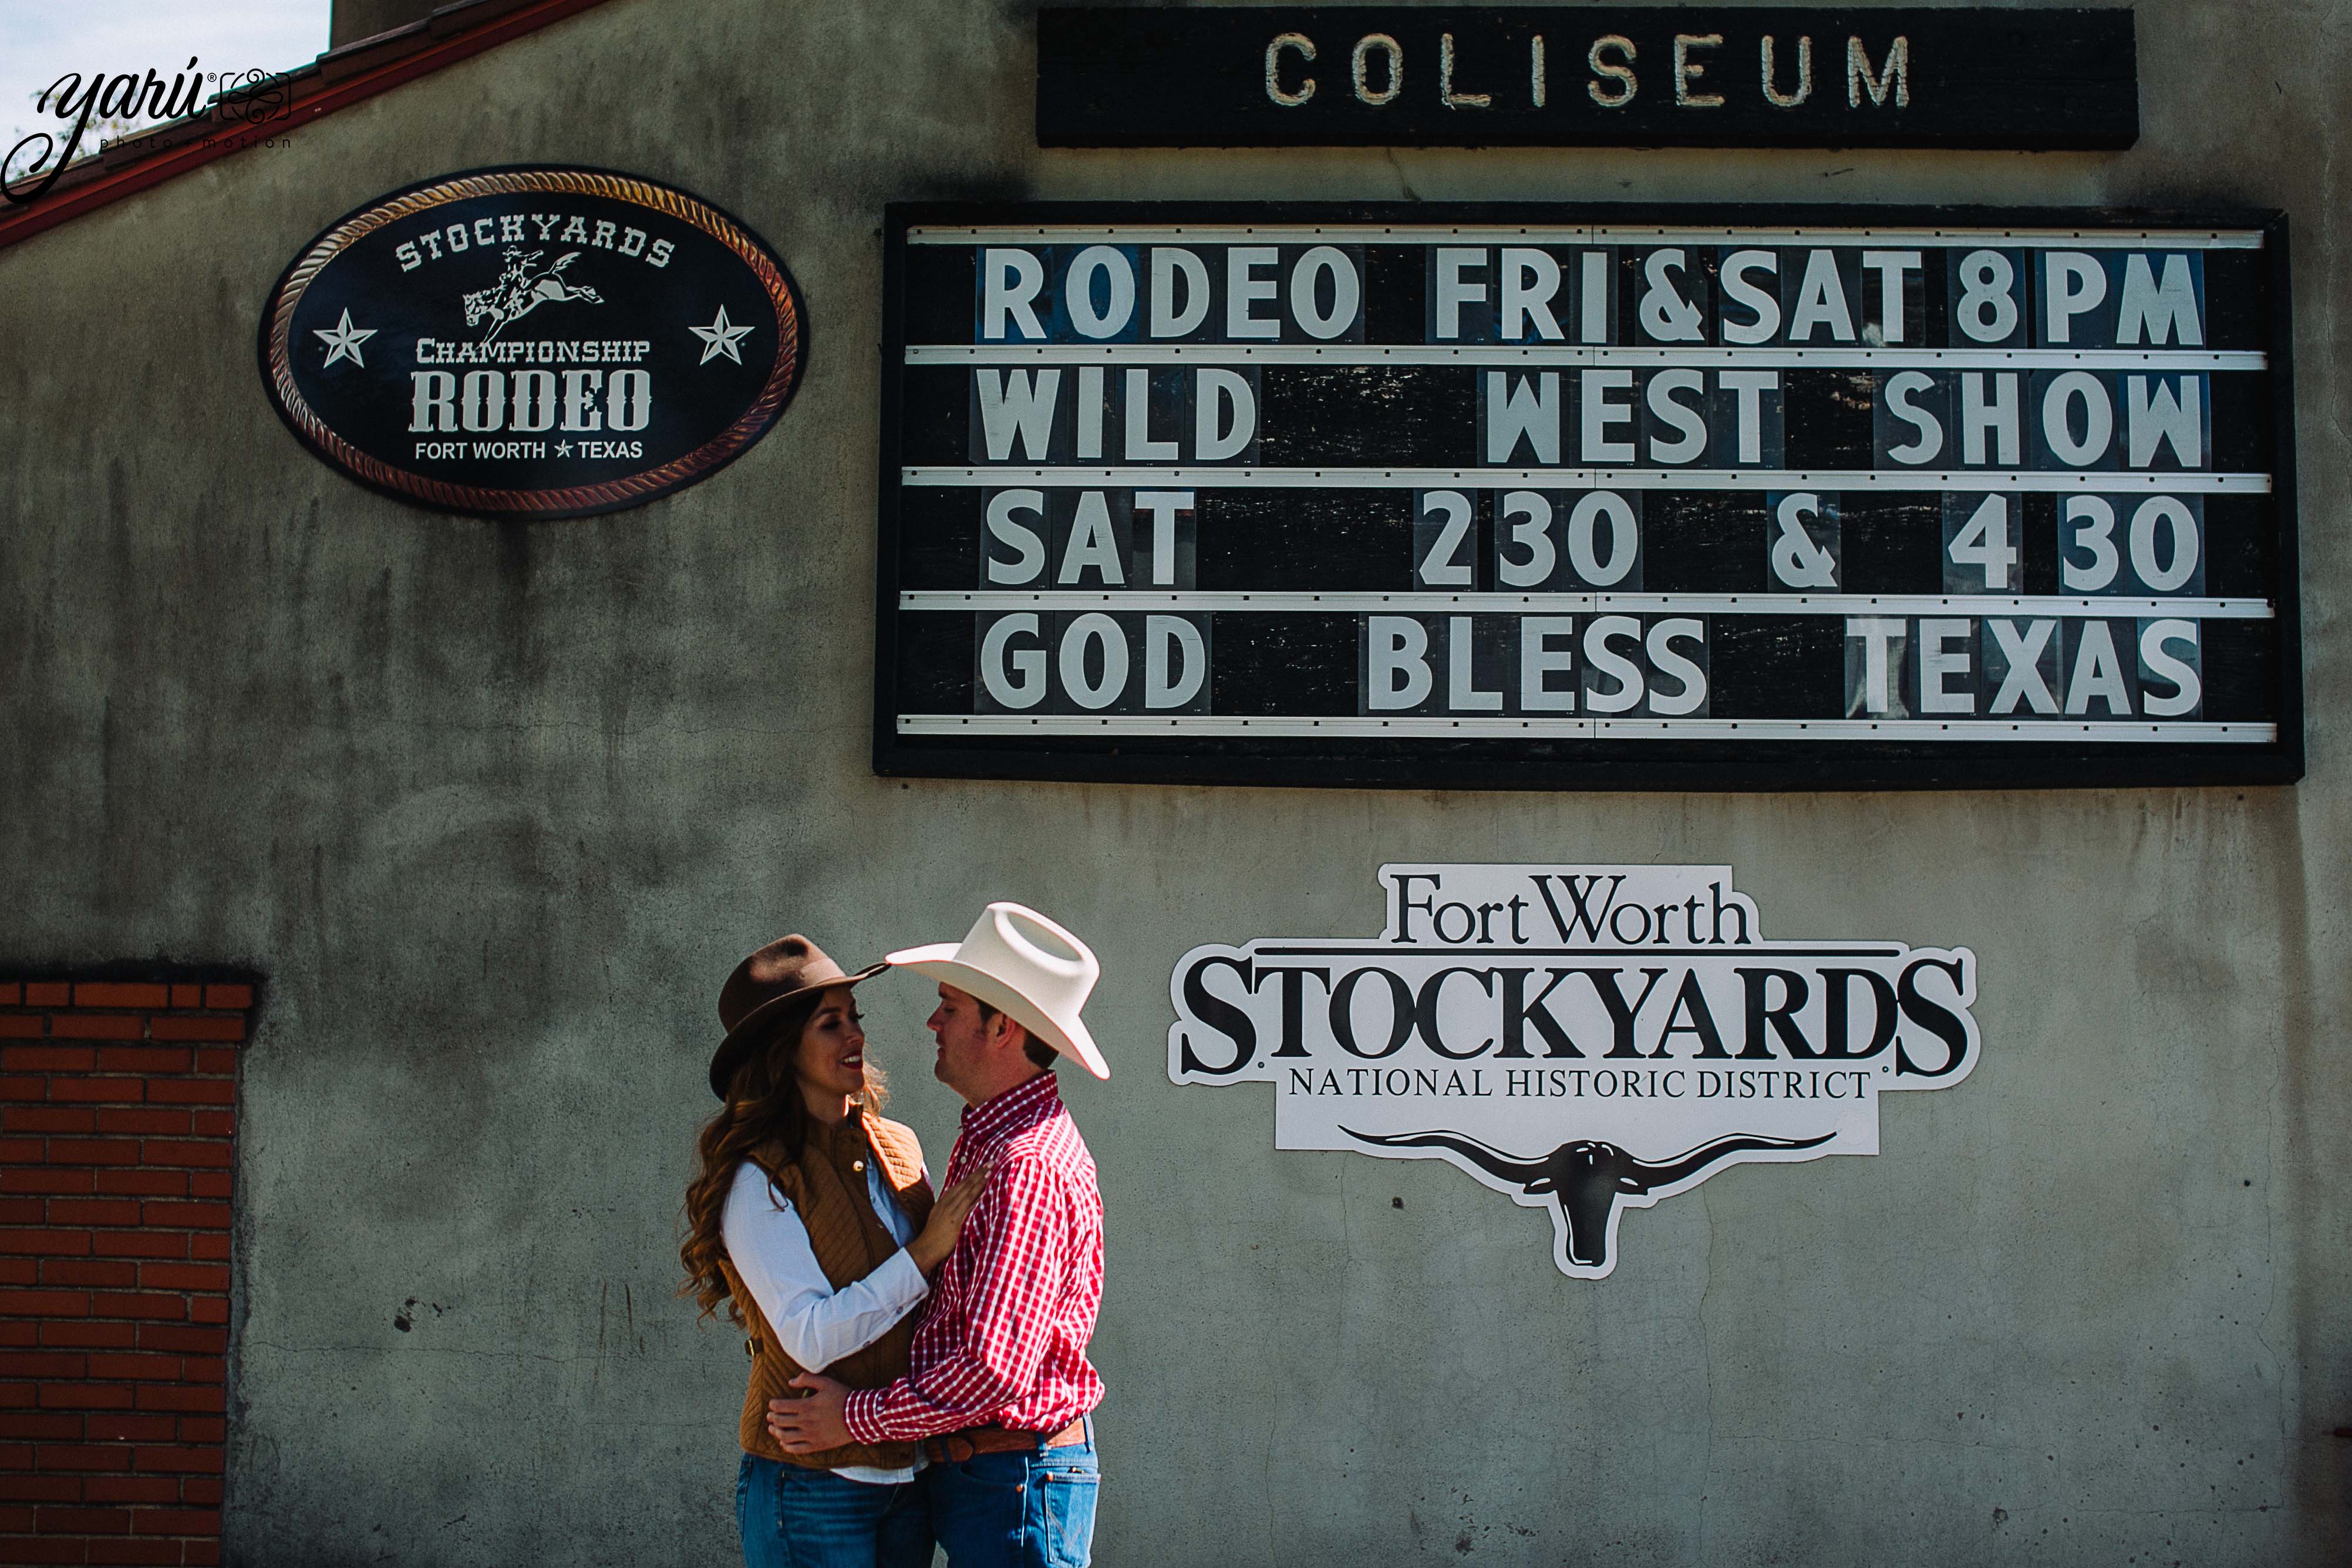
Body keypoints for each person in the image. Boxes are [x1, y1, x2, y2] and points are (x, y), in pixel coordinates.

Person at [769, 902, 1110, 1568]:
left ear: (1002, 1026)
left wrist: (854, 1417)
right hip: (997, 1477)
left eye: (949, 1006)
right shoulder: (994, 1139)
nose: (932, 1020)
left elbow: (991, 1370)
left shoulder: (1025, 1165)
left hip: (1011, 1478)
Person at [681, 934, 992, 1568]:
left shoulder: (900, 1146)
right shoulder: (759, 1178)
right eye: (830, 1023)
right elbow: (810, 1338)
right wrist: (926, 1251)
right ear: (782, 1050)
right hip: (809, 1485)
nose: (854, 1035)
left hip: (906, 1478)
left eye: (855, 1017)